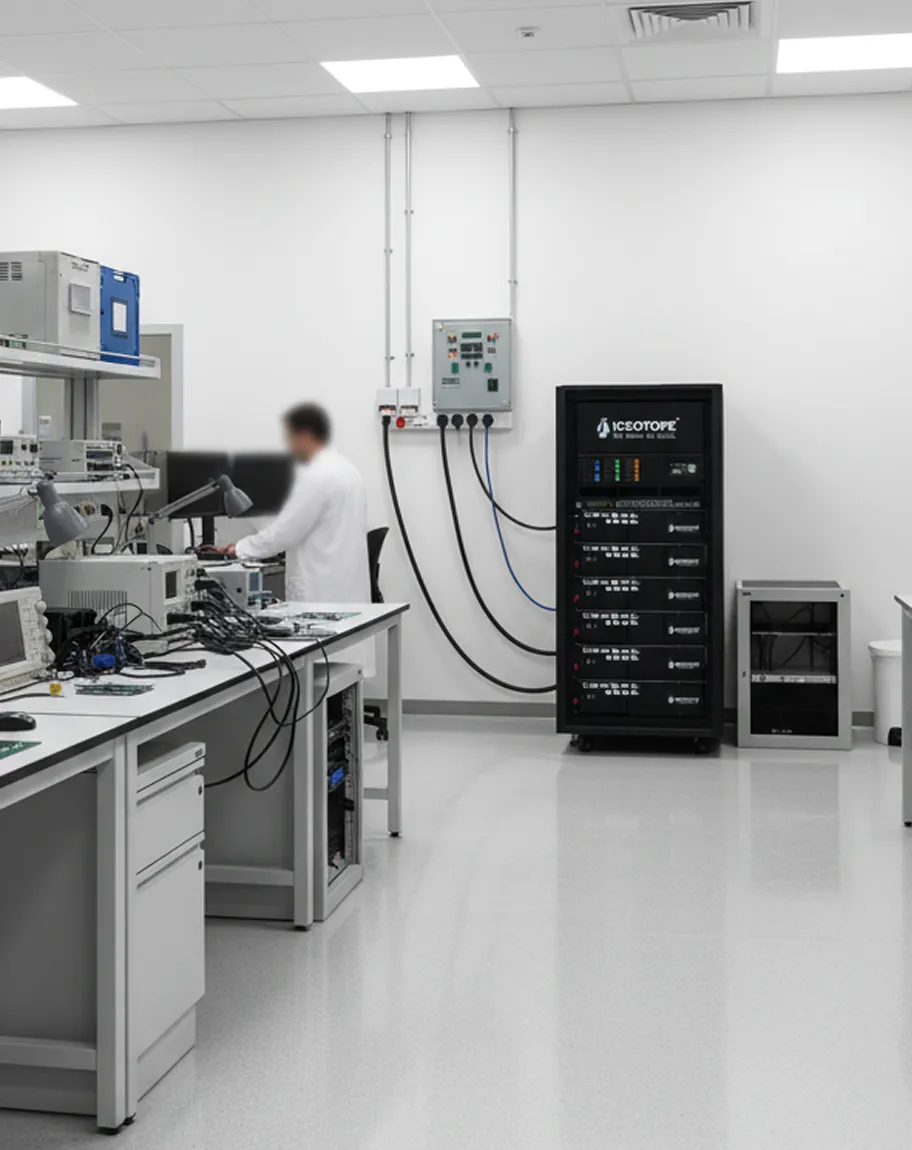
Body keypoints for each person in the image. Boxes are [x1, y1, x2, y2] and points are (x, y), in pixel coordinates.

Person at [218, 403, 370, 610]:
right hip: (346, 588)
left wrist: (239, 549)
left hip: (320, 593)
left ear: (305, 435)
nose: (289, 445)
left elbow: (287, 531)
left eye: (290, 438)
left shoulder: (316, 475)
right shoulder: (347, 470)